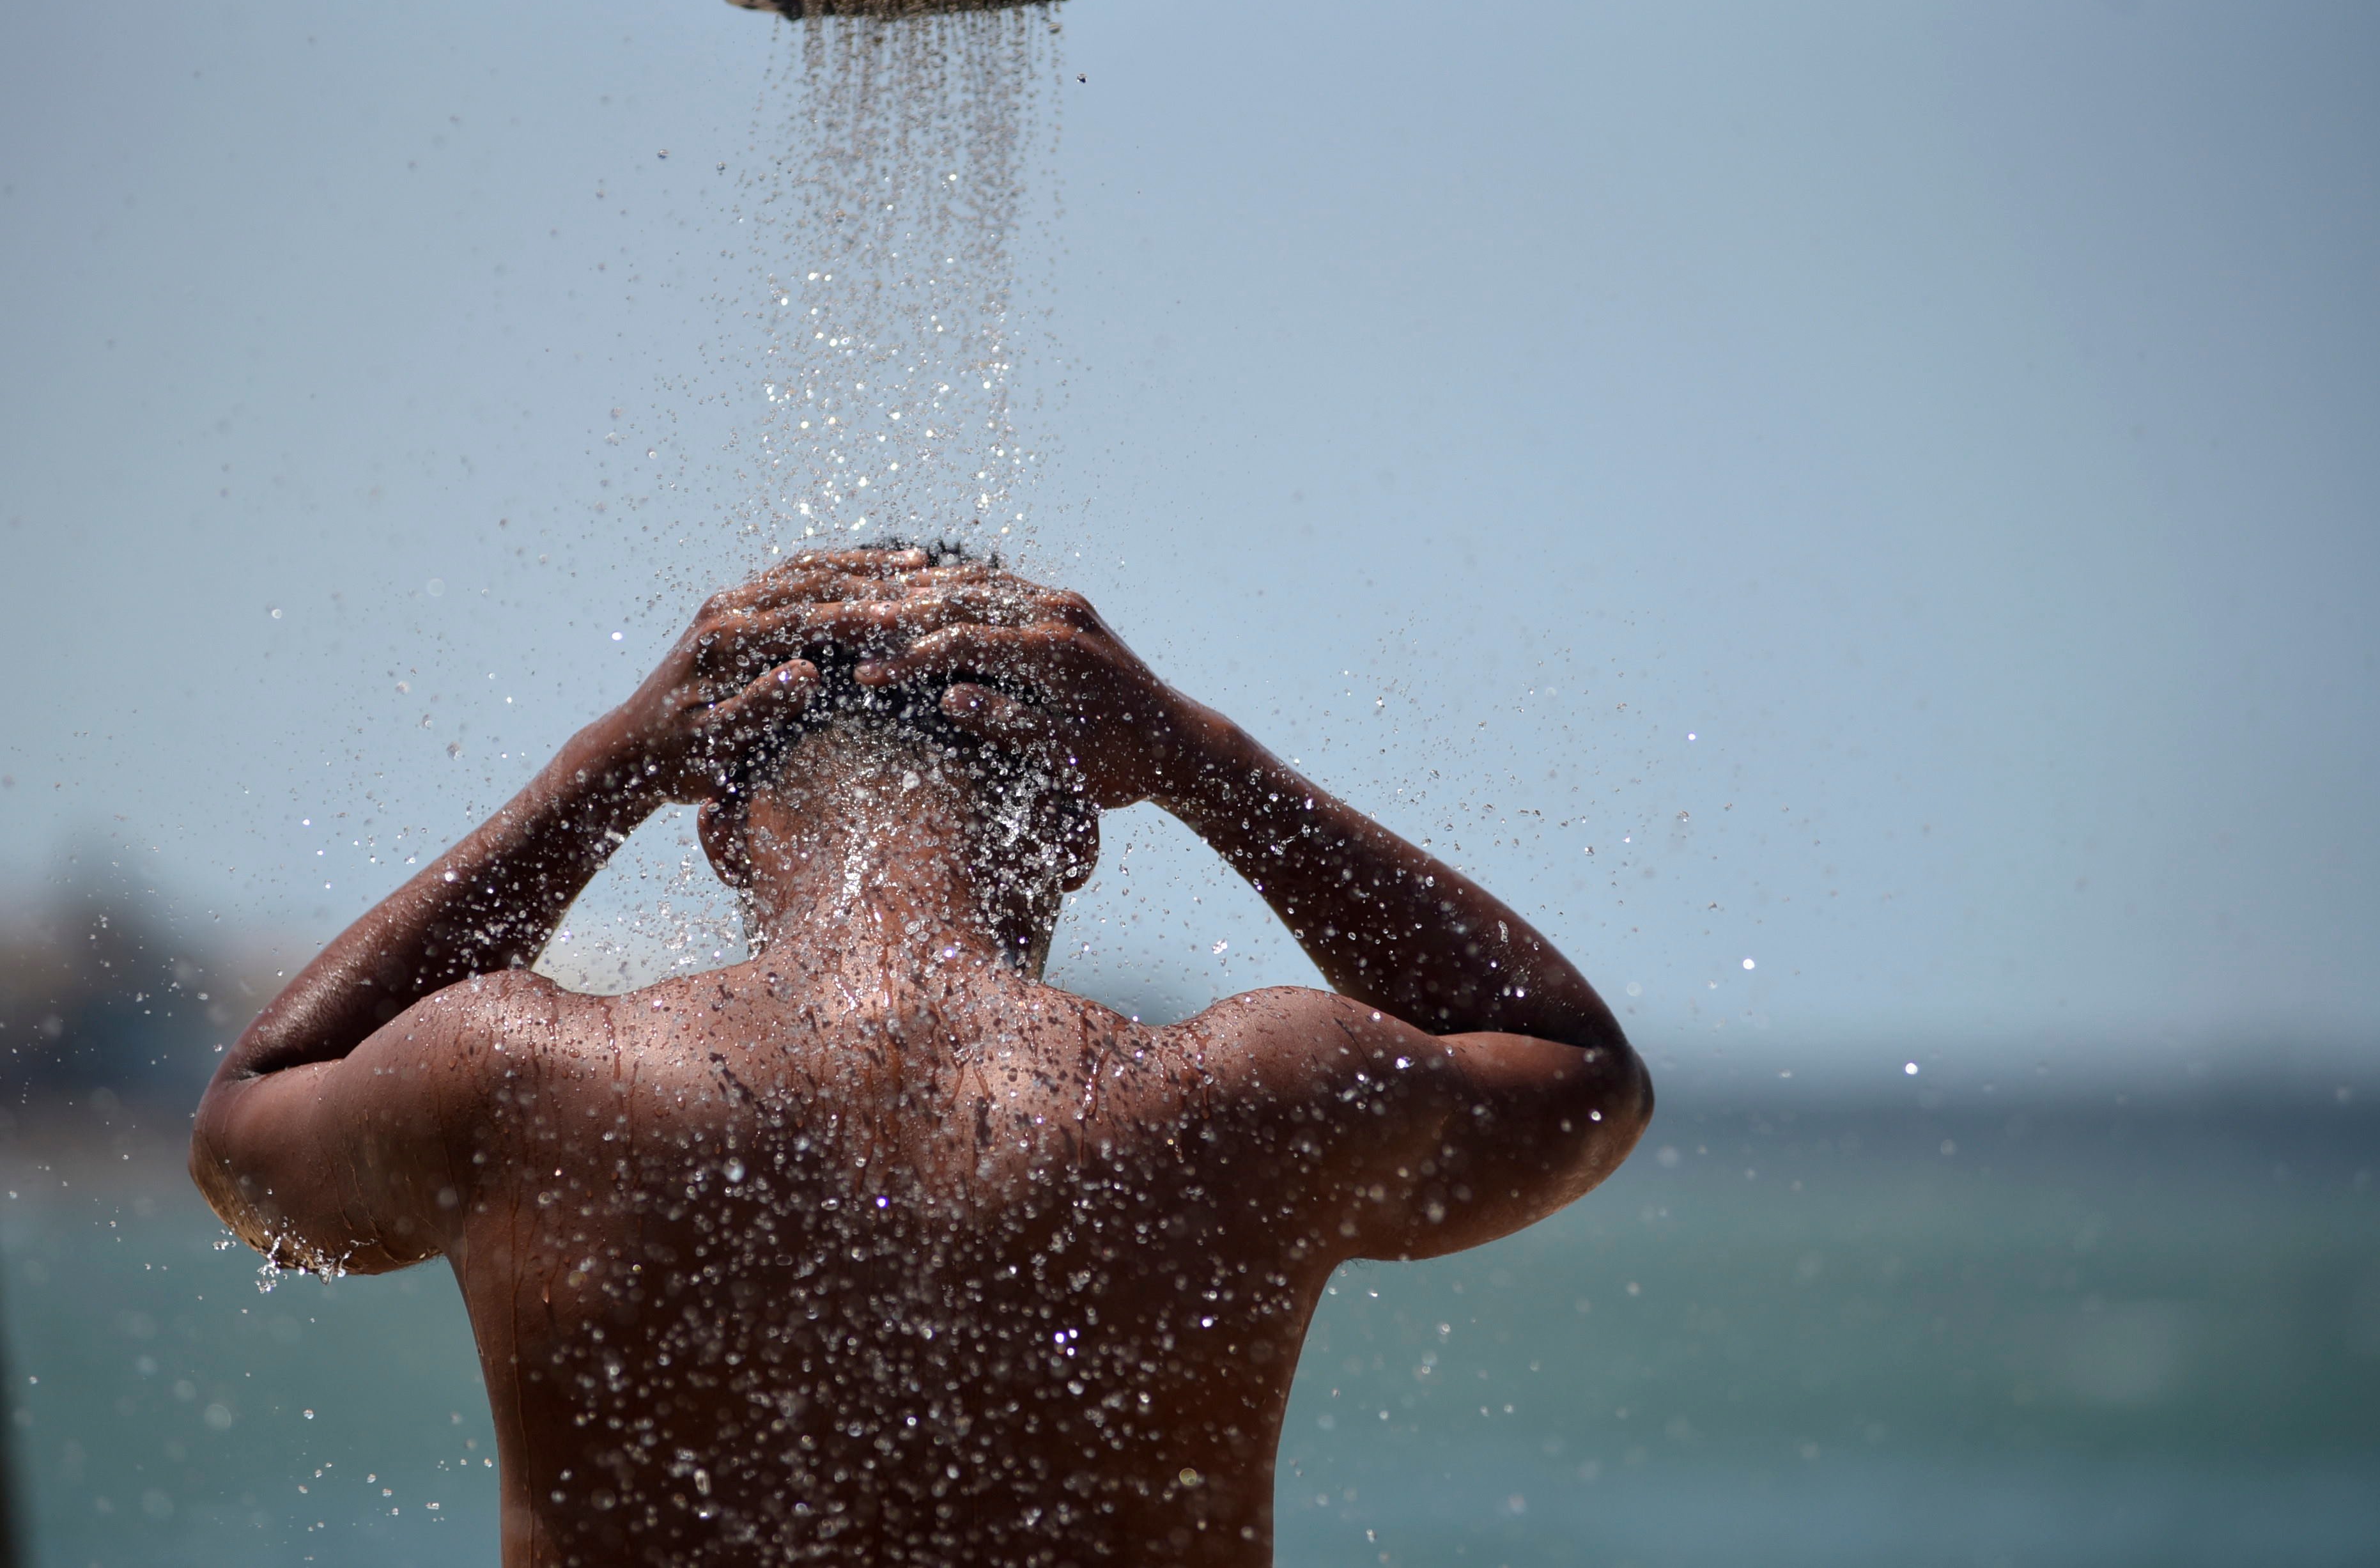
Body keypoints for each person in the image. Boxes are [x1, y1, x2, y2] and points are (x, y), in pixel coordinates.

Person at [190, 547, 1651, 1567]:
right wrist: (1204, 757)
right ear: (1076, 830)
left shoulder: (524, 1078)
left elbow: (245, 1139)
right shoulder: (1235, 1095)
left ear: (710, 826)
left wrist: (602, 767)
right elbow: (1582, 1072)